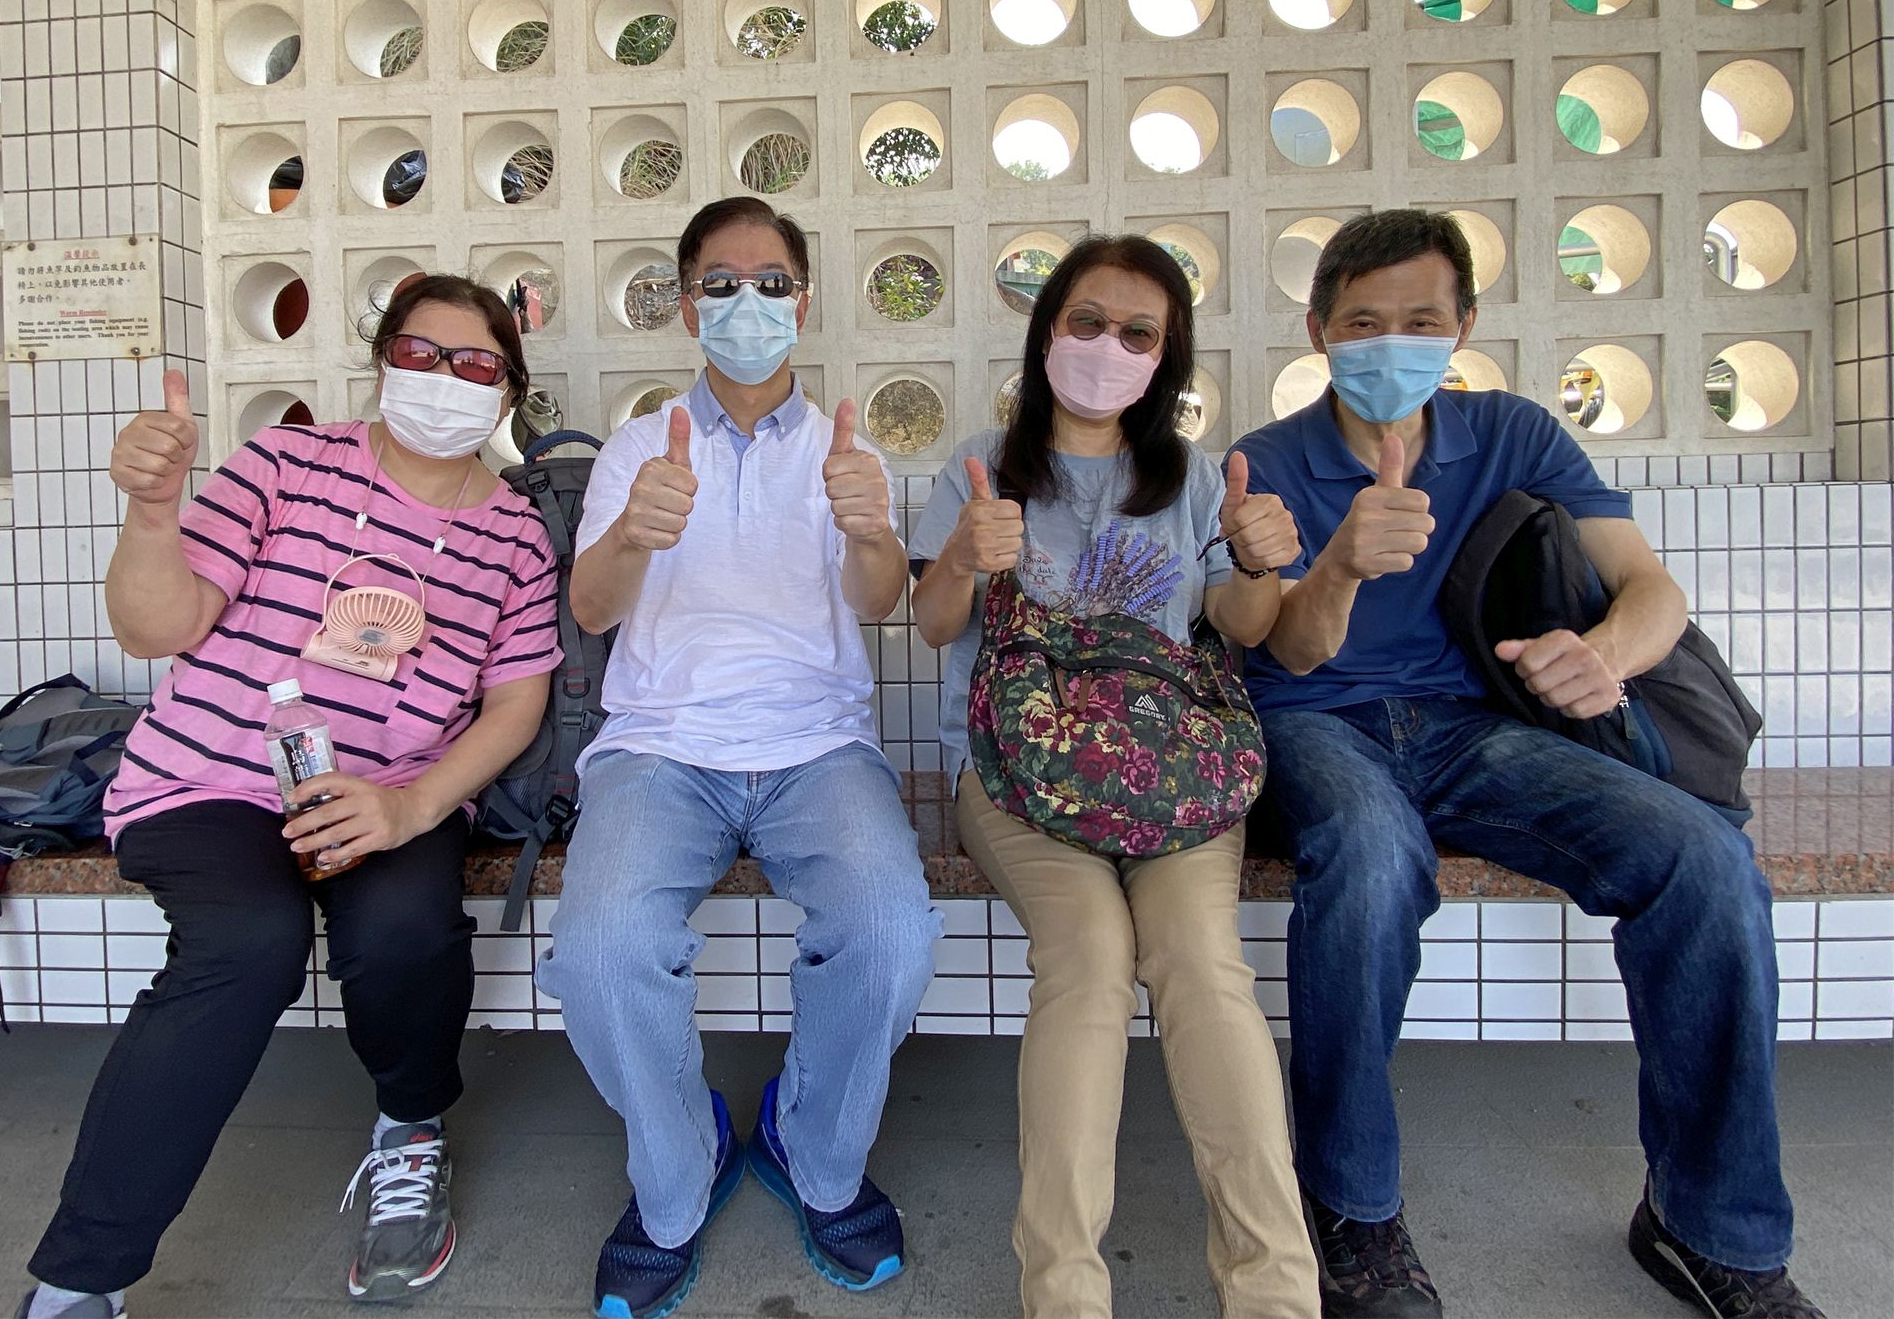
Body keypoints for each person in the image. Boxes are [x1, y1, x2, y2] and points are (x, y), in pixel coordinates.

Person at [1231, 208, 1822, 1319]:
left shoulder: (1514, 432)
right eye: (1360, 320)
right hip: (1312, 720)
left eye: (1417, 317)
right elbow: (1289, 648)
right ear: (1315, 329)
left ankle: (1709, 1225)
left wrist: (1599, 658)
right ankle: (1351, 1210)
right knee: (1366, 854)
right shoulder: (1264, 460)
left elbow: (1649, 588)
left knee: (1702, 858)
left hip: (1474, 725)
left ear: (1462, 324)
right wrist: (1344, 565)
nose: (1388, 340)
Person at [14, 275, 559, 1319]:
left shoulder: (515, 536)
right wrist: (151, 515)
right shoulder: (285, 463)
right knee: (248, 942)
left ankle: (410, 1129)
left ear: (507, 392)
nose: (444, 378)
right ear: (380, 362)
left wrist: (410, 808)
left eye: (475, 363)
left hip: (388, 789)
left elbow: (515, 702)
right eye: (419, 353)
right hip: (211, 780)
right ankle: (83, 1273)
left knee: (404, 924)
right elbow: (154, 626)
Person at [536, 196, 941, 1319]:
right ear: (684, 304)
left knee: (891, 930)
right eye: (720, 282)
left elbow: (874, 604)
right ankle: (675, 1176)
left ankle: (811, 1148)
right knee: (604, 943)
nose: (746, 301)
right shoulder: (637, 445)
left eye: (769, 281)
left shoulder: (843, 448)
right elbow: (589, 603)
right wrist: (628, 533)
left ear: (803, 300)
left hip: (818, 746)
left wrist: (873, 533)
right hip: (661, 747)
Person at [908, 235, 1321, 1319]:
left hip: (1170, 775)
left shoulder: (1192, 476)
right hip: (1016, 774)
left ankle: (1276, 1293)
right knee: (1087, 955)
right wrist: (960, 553)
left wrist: (1255, 561)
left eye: (1137, 333)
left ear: (1165, 356)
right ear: (1046, 328)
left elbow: (1239, 630)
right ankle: (1064, 1294)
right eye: (1085, 320)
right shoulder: (978, 463)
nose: (1107, 347)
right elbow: (929, 626)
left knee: (1199, 958)